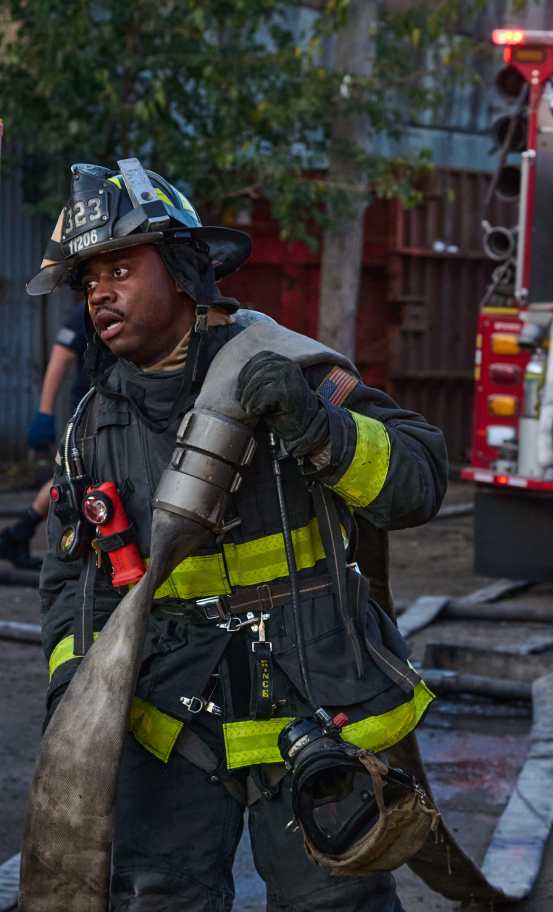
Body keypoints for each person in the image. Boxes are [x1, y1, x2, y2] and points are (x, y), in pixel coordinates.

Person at [33, 161, 448, 911]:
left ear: (187, 271)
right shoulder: (93, 426)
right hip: (168, 724)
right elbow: (70, 581)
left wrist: (320, 430)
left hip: (313, 709)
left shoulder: (285, 371)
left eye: (120, 267)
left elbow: (420, 480)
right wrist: (74, 683)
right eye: (87, 280)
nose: (99, 292)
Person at [0, 303, 90, 571]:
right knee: (70, 474)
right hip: (90, 408)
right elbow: (60, 359)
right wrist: (44, 413)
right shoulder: (84, 313)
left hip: (111, 405)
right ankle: (20, 534)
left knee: (71, 475)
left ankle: (19, 533)